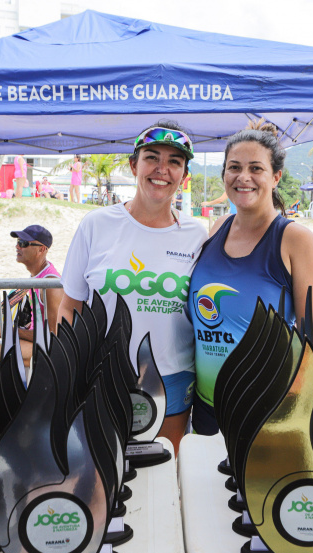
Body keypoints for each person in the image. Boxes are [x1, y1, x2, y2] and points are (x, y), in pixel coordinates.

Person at [58, 120, 208, 451]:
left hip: (173, 379)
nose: (162, 170)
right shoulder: (96, 224)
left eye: (174, 162)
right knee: (100, 477)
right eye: (152, 158)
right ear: (133, 165)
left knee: (164, 477)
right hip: (100, 376)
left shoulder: (197, 235)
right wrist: (70, 369)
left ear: (184, 175)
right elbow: (70, 306)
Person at [188, 121, 313, 435]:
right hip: (206, 404)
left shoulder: (294, 239)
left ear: (275, 177)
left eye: (255, 168)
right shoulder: (218, 227)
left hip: (263, 407)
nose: (243, 177)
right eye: (234, 167)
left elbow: (311, 336)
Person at [0, 225, 64, 367]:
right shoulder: (35, 277)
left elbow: (54, 335)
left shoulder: (50, 285)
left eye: (23, 243)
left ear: (41, 249)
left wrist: (8, 331)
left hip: (49, 350)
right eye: (18, 242)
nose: (17, 246)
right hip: (35, 341)